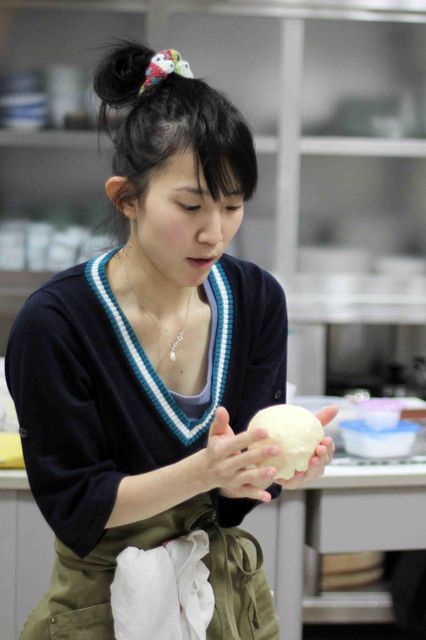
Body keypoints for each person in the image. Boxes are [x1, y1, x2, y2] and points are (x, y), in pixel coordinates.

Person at [5, 41, 336, 639]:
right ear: (126, 198)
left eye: (232, 206)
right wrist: (206, 470)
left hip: (224, 600)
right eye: (190, 206)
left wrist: (270, 468)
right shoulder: (56, 323)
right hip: (101, 606)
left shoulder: (257, 301)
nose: (214, 233)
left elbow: (233, 502)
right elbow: (78, 506)